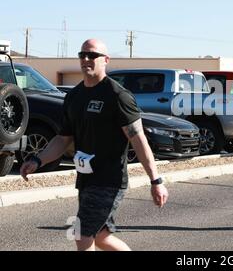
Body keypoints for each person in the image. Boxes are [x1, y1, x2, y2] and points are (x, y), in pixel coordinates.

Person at [20, 39, 169, 251]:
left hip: (109, 180)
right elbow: (63, 139)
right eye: (82, 55)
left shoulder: (117, 96)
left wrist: (156, 181)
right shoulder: (74, 96)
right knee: (101, 237)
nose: (86, 59)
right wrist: (37, 159)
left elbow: (138, 139)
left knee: (81, 233)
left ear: (105, 60)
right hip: (86, 179)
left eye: (92, 55)